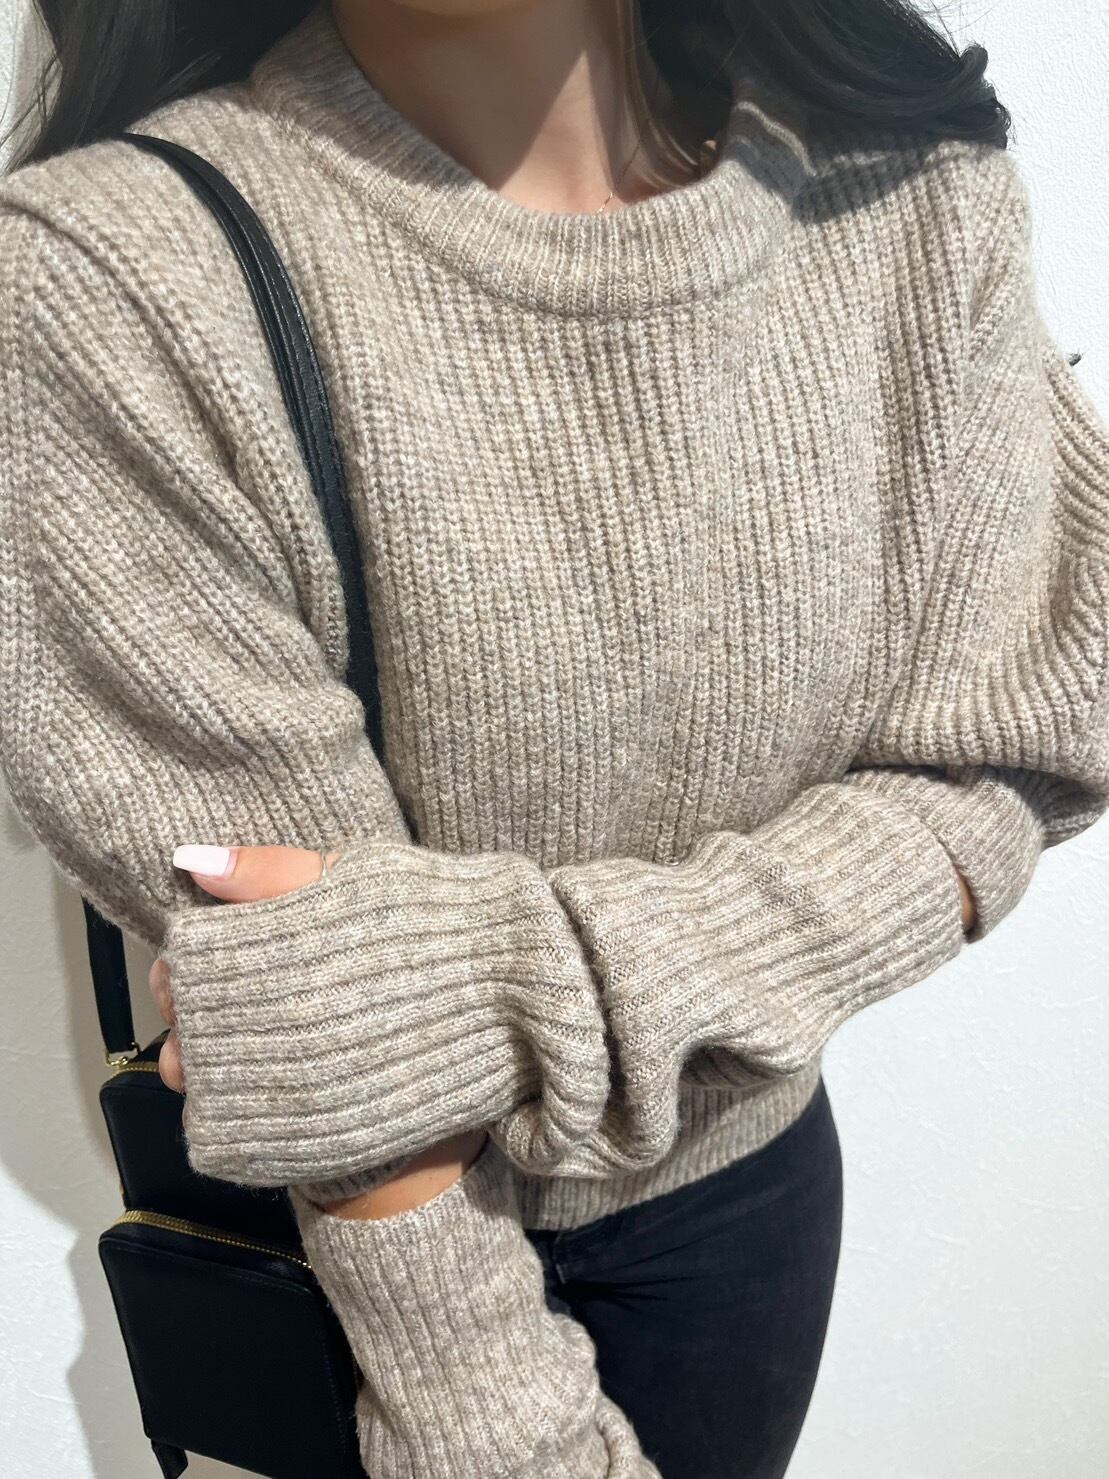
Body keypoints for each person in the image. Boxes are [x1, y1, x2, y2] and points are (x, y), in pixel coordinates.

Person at [1, 1, 1106, 1474]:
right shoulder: (109, 273)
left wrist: (519, 989)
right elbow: (328, 1043)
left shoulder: (904, 188)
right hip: (385, 1267)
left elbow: (1000, 757)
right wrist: (510, 1439)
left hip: (758, 1200)